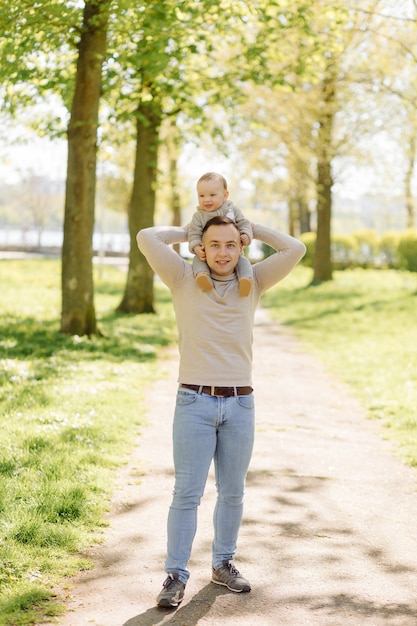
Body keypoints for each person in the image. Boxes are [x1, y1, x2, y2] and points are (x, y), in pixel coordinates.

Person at [137, 213, 306, 609]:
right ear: (202, 248)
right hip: (194, 401)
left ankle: (223, 563)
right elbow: (147, 236)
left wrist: (250, 228)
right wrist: (190, 232)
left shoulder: (255, 281)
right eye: (214, 244)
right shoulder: (181, 277)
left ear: (241, 246)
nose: (223, 252)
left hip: (240, 402)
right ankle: (175, 576)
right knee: (187, 494)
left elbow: (295, 249)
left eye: (231, 244)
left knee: (232, 493)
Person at [189, 172, 253, 296]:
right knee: (198, 260)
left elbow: (244, 223)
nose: (206, 199)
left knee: (243, 262)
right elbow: (193, 234)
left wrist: (246, 234)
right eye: (201, 195)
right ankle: (203, 277)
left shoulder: (231, 209)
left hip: (234, 253)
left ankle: (246, 280)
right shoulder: (199, 216)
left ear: (225, 195)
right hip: (207, 253)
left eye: (212, 195)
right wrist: (196, 246)